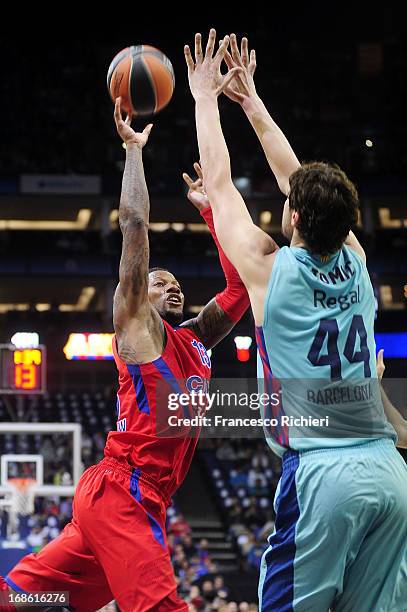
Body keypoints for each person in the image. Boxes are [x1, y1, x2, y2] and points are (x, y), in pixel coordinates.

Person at [185, 30, 407, 611]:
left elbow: (220, 182)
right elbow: (300, 179)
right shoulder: (358, 261)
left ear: (295, 216)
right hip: (389, 471)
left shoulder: (267, 270)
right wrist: (252, 102)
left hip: (322, 473)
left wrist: (206, 98)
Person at [0, 97, 251, 612]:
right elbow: (134, 228)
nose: (171, 285)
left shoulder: (196, 341)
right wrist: (133, 151)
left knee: (27, 597)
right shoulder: (137, 327)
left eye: (177, 283)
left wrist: (210, 213)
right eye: (160, 281)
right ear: (143, 293)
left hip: (138, 500)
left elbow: (240, 288)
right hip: (124, 491)